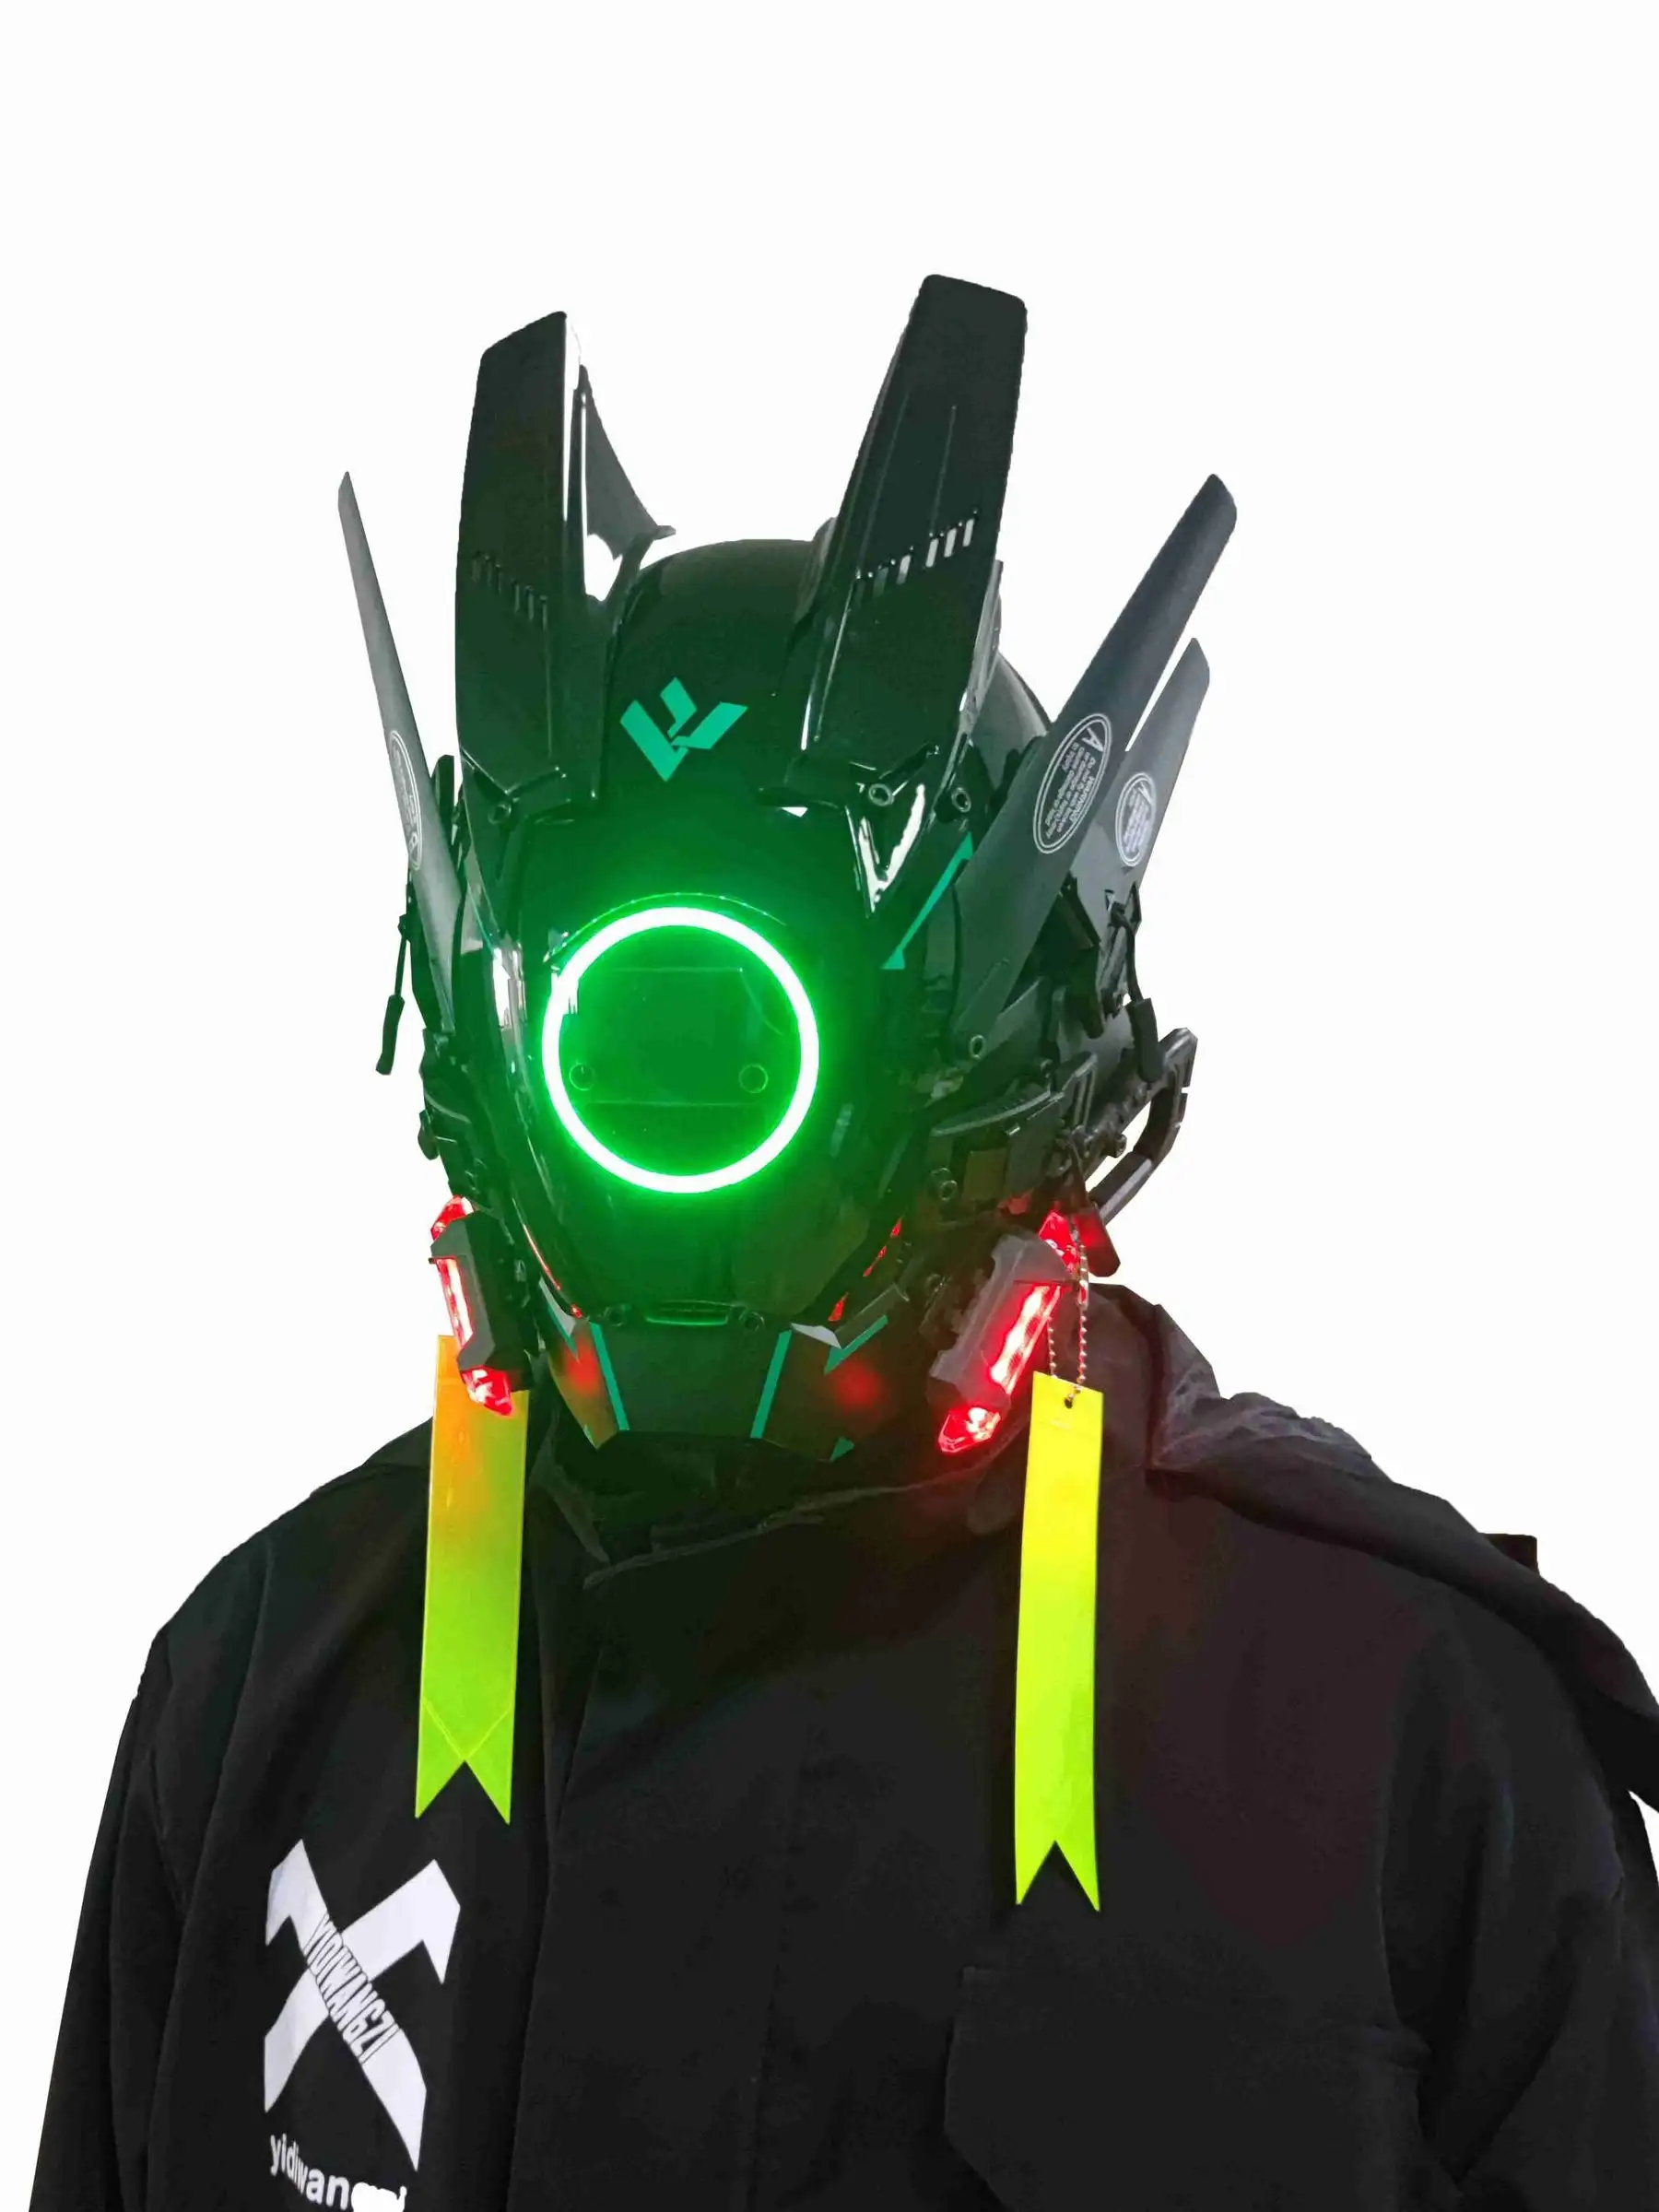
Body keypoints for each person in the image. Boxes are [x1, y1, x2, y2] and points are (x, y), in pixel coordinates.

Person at [31, 276, 1659, 2210]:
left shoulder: (1398, 1735)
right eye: (634, 1040)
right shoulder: (254, 1707)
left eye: (745, 1037)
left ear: (1028, 1036)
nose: (695, 1143)